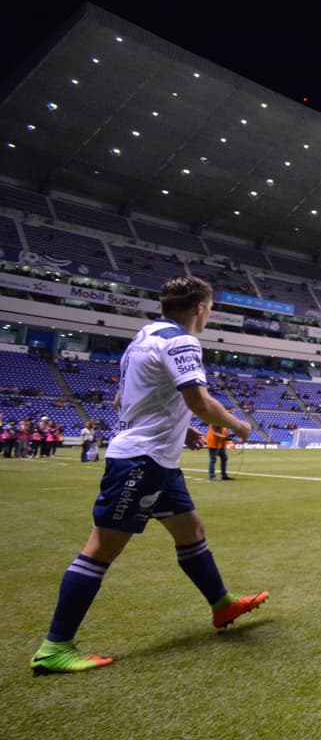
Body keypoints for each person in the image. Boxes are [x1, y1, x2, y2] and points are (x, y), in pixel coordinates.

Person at [29, 275, 266, 675]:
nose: (209, 314)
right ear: (199, 308)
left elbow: (126, 397)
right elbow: (200, 400)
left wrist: (179, 426)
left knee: (192, 532)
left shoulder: (141, 338)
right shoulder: (182, 341)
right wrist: (238, 426)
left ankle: (222, 606)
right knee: (101, 549)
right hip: (142, 461)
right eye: (210, 308)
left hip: (157, 460)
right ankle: (55, 646)